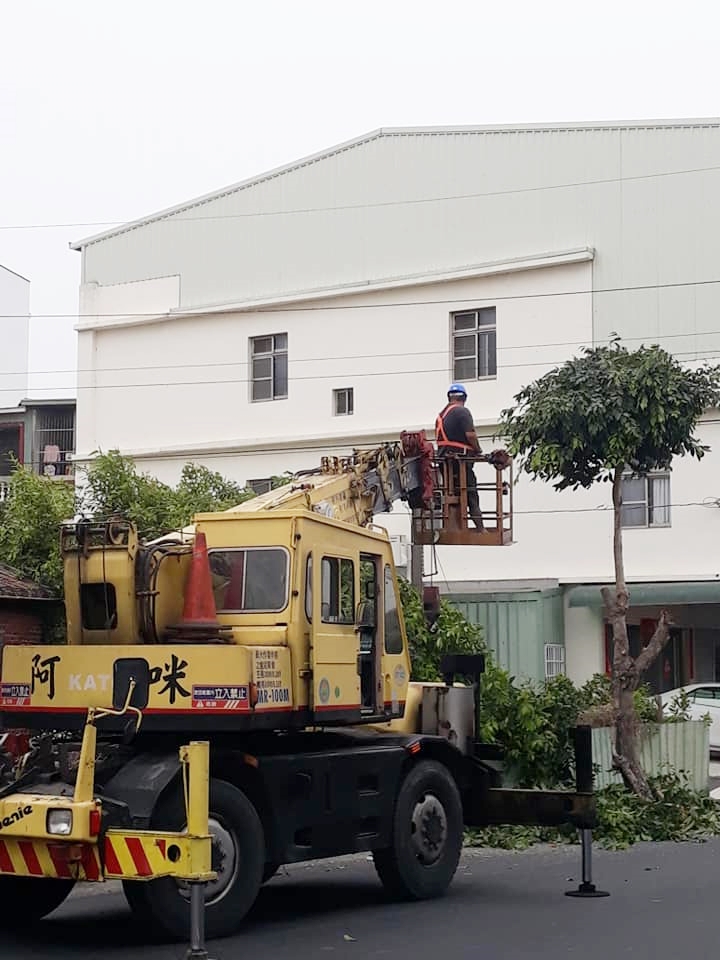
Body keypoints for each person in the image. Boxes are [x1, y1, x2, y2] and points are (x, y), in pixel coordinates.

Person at [435, 383, 484, 530]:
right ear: (464, 398)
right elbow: (470, 435)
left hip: (445, 462)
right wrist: (478, 449)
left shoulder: (440, 416)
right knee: (471, 494)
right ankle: (481, 529)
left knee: (453, 494)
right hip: (460, 462)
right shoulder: (462, 412)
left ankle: (454, 527)